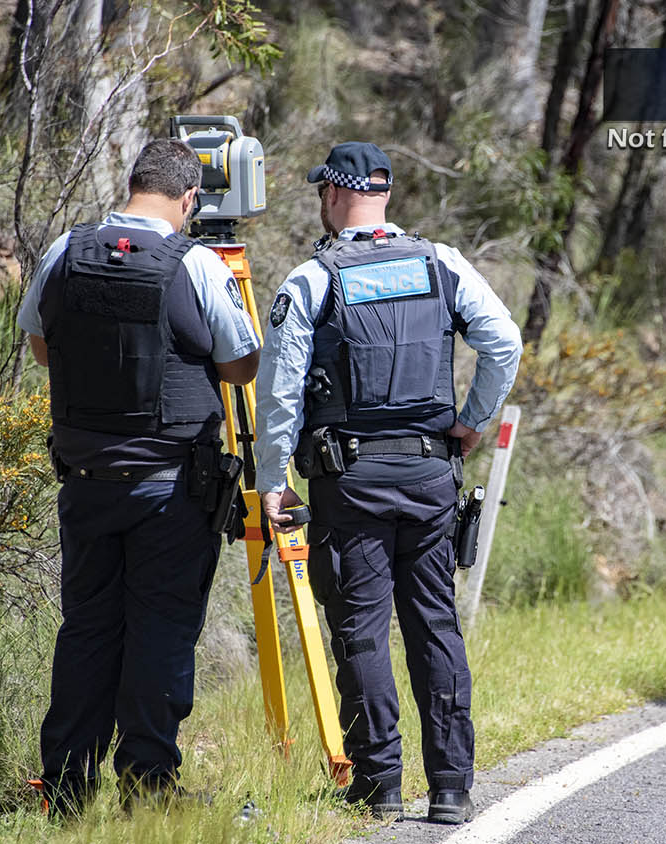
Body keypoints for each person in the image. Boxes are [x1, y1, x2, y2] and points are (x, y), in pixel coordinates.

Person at [254, 142, 522, 824]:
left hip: (352, 481)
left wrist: (273, 479)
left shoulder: (314, 279)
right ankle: (453, 789)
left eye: (323, 192)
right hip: (432, 475)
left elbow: (282, 391)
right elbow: (504, 341)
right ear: (385, 195)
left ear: (336, 196)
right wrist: (470, 423)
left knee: (364, 631)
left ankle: (380, 787)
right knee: (435, 626)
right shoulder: (442, 264)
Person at [17, 138, 260, 815]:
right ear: (190, 199)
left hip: (87, 482)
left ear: (133, 184)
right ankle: (147, 786)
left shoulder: (67, 249)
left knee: (87, 630)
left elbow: (40, 344)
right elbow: (242, 365)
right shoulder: (198, 263)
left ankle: (66, 789)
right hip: (171, 490)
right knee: (161, 630)